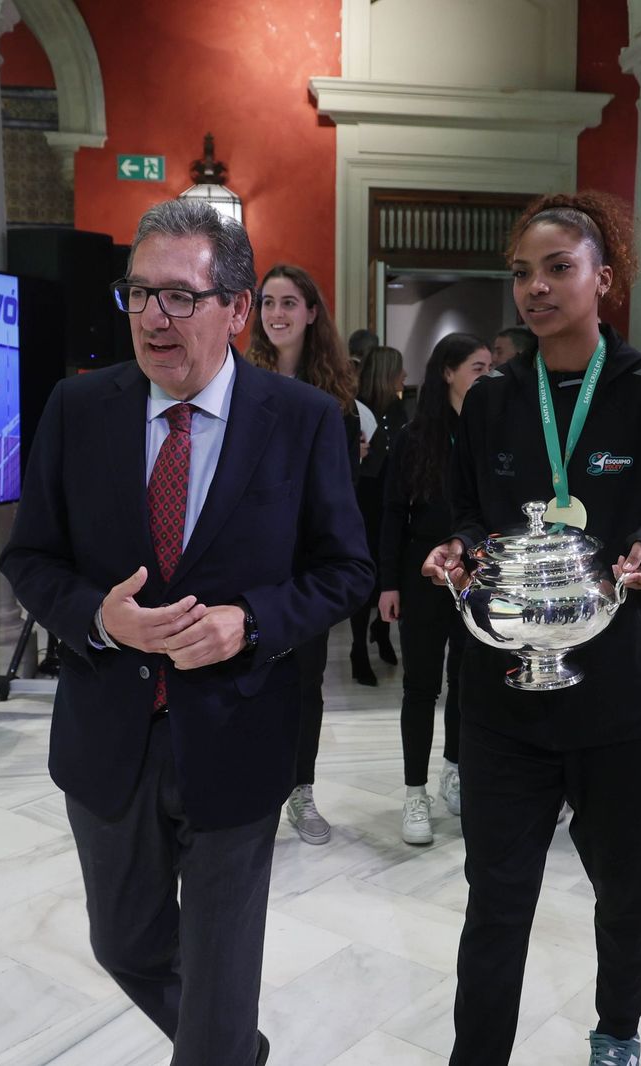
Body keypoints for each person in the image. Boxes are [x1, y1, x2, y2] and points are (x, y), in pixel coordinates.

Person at [0, 198, 372, 1066]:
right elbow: (30, 558)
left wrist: (251, 622)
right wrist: (99, 618)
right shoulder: (78, 408)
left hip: (237, 737)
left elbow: (346, 571)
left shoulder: (303, 420)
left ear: (237, 309)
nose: (153, 318)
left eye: (179, 296)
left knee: (217, 994)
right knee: (124, 946)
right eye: (138, 294)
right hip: (108, 739)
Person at [422, 191, 641, 1066]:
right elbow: (469, 513)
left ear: (605, 277)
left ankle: (616, 1037)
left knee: (626, 895)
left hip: (624, 698)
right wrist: (461, 549)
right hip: (504, 698)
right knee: (495, 902)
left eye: (559, 268)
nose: (537, 288)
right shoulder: (491, 398)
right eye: (523, 272)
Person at [246, 262, 360, 845]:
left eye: (289, 302)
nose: (277, 314)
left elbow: (341, 496)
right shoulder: (238, 383)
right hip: (249, 560)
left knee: (304, 682)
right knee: (248, 677)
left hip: (307, 566)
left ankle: (301, 789)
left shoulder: (337, 401)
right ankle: (253, 794)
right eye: (268, 302)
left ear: (312, 312)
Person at [380, 332, 493, 844]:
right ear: (448, 372)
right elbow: (391, 515)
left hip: (475, 576)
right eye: (477, 367)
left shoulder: (489, 433)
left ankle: (455, 770)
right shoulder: (414, 437)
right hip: (422, 575)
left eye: (489, 367)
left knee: (467, 681)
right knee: (420, 686)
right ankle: (414, 793)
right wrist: (387, 583)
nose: (486, 376)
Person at [349, 345, 408, 684]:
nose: (405, 376)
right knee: (364, 575)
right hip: (363, 501)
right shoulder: (354, 410)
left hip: (393, 499)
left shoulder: (402, 411)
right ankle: (358, 648)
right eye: (399, 369)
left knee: (389, 570)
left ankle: (382, 631)